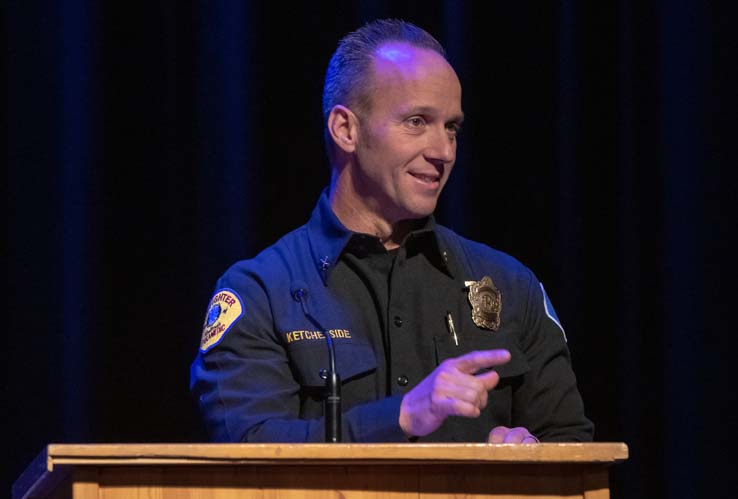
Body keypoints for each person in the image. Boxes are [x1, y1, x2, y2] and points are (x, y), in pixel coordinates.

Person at [190, 19, 594, 444]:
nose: (443, 151)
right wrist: (401, 416)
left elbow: (573, 447)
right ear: (346, 129)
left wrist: (533, 461)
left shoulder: (511, 285)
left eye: (451, 127)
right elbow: (249, 448)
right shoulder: (260, 293)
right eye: (417, 122)